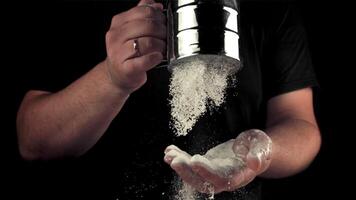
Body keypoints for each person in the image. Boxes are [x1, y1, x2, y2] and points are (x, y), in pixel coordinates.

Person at [16, 0, 321, 199]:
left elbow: (300, 124)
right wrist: (111, 78)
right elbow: (33, 140)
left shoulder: (272, 10)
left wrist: (260, 153)